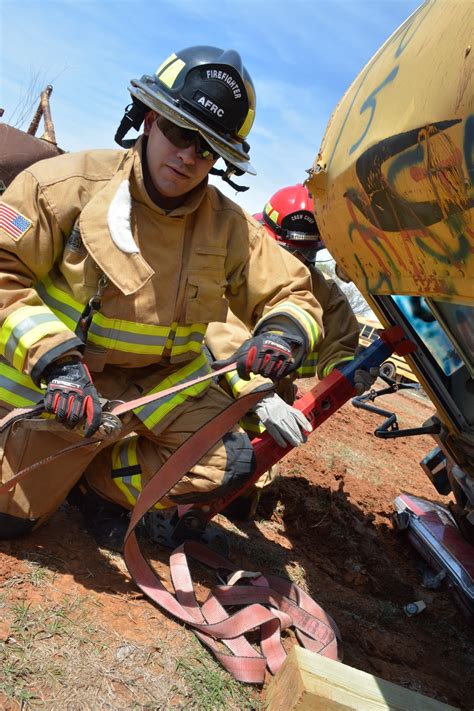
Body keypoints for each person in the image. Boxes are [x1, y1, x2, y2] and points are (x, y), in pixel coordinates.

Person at [0, 46, 324, 551]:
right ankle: (55, 465)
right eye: (179, 132)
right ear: (150, 119)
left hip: (161, 389)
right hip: (65, 389)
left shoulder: (229, 227)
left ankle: (99, 487)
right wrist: (57, 363)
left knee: (226, 462)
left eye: (207, 147)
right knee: (11, 519)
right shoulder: (66, 187)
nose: (188, 155)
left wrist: (282, 333)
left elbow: (294, 292)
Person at [203, 184, 378, 517]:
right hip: (216, 386)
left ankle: (237, 493)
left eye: (308, 256)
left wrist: (349, 372)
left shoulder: (324, 294)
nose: (299, 266)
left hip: (272, 400)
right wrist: (259, 394)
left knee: (242, 497)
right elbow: (216, 327)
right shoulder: (234, 264)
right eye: (290, 254)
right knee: (202, 466)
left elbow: (340, 343)